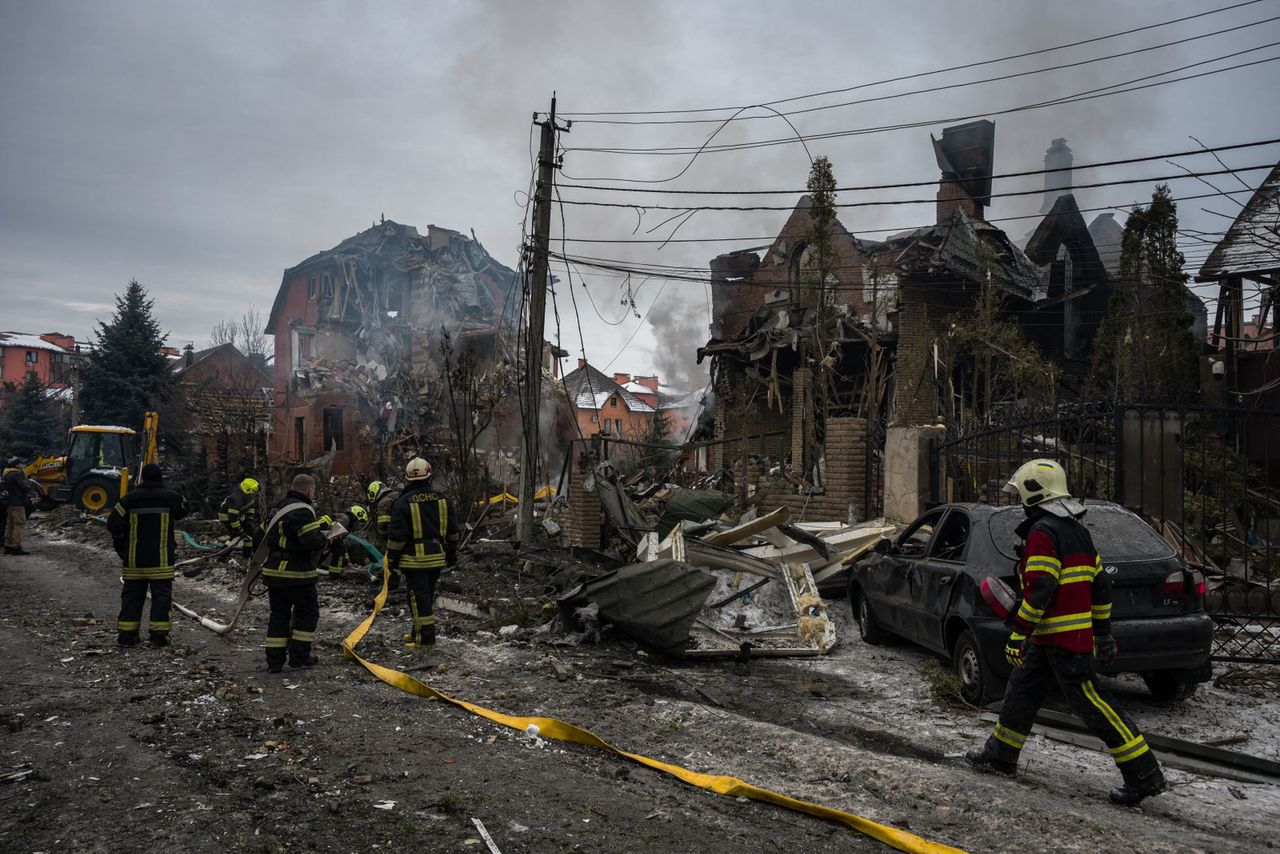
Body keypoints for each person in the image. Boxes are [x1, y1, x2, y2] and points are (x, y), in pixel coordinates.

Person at [966, 459, 1166, 806]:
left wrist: (1018, 633)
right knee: (1022, 692)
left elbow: (1041, 588)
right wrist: (1102, 634)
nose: (1018, 503)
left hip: (1062, 641)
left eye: (1020, 494)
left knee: (1095, 706)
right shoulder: (1078, 532)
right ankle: (1000, 755)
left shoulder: (1043, 532)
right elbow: (1101, 587)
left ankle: (1144, 774)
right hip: (1055, 641)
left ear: (1032, 492)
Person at [107, 464, 188, 647]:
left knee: (132, 598)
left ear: (142, 478)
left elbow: (113, 524)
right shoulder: (171, 497)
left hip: (134, 561)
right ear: (160, 478)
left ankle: (127, 636)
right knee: (161, 600)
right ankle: (159, 638)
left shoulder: (129, 499)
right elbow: (184, 510)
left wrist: (122, 547)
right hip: (161, 561)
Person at [385, 458, 458, 653]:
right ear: (429, 475)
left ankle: (425, 639)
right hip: (436, 557)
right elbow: (453, 531)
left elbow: (397, 538)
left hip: (414, 560)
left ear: (408, 478)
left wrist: (391, 559)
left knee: (418, 598)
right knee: (426, 596)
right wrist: (452, 553)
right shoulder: (443, 499)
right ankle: (417, 630)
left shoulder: (402, 503)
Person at [260, 473, 330, 672]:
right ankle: (299, 656)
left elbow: (261, 535)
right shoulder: (303, 511)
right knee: (307, 613)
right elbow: (310, 541)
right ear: (309, 490)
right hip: (296, 573)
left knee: (279, 615)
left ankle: (274, 661)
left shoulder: (277, 508)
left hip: (273, 572)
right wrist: (326, 541)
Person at [368, 479, 403, 590]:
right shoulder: (399, 495)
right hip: (410, 533)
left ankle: (392, 586)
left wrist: (385, 538)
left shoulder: (383, 503)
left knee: (392, 561)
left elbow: (383, 524)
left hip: (395, 535)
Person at [218, 477, 263, 557]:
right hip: (227, 517)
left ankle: (247, 555)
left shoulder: (249, 496)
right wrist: (240, 530)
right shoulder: (236, 499)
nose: (254, 494)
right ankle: (222, 556)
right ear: (247, 490)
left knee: (249, 532)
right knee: (235, 535)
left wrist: (249, 519)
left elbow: (251, 508)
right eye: (253, 492)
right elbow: (232, 518)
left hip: (239, 516)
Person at [321, 504, 367, 578]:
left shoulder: (341, 517)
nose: (357, 525)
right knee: (339, 548)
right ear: (355, 517)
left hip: (318, 537)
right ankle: (335, 574)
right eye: (358, 521)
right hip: (319, 537)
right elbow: (336, 537)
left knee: (339, 547)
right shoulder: (345, 519)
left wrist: (348, 562)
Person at [3, 457, 36, 556]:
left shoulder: (7, 474)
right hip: (18, 503)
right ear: (16, 465)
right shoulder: (16, 474)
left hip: (10, 503)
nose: (22, 465)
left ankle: (8, 546)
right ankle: (17, 547)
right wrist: (30, 488)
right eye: (20, 464)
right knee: (19, 524)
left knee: (10, 525)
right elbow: (24, 487)